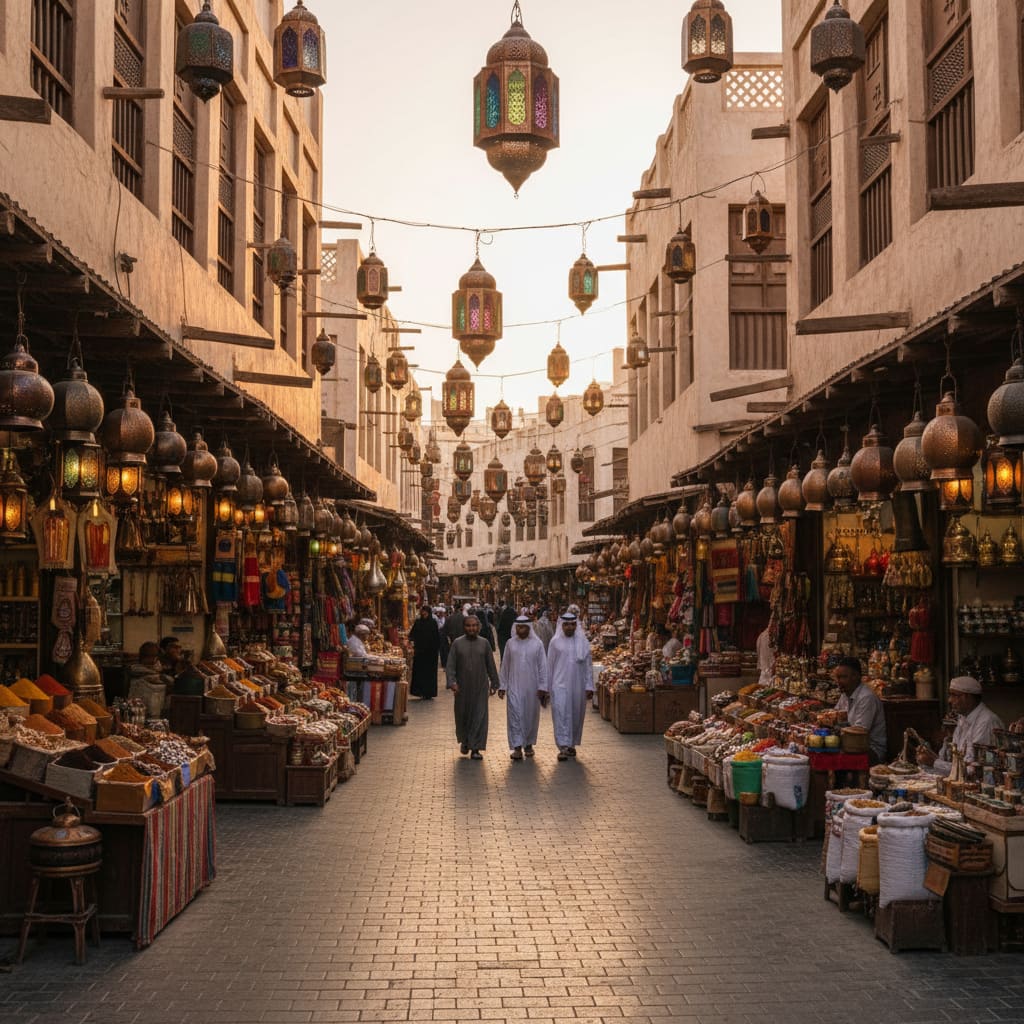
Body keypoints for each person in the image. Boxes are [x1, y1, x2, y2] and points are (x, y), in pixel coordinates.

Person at [916, 676, 1004, 776]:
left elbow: (972, 770)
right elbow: (956, 761)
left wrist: (934, 762)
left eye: (954, 695)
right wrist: (931, 757)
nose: (950, 700)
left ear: (968, 697)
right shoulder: (963, 718)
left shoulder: (986, 721)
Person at [542, 613, 594, 762]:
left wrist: (589, 686)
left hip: (578, 686)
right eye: (566, 624)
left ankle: (571, 745)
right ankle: (563, 746)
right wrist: (546, 689)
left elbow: (588, 666)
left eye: (572, 624)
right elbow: (549, 666)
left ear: (576, 625)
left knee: (576, 715)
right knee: (561, 714)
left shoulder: (583, 642)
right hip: (559, 685)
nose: (569, 627)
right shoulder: (555, 642)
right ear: (561, 625)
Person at [445, 614, 498, 759]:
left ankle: (476, 747)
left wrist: (494, 682)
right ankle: (465, 741)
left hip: (480, 686)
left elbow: (490, 665)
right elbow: (450, 666)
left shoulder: (484, 643)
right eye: (468, 626)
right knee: (463, 715)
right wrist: (452, 683)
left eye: (474, 625)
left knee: (479, 716)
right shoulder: (457, 643)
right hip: (462, 688)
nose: (471, 628)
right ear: (464, 627)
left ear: (479, 626)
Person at [498, 615, 547, 761]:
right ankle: (517, 747)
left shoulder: (537, 644)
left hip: (532, 689)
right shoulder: (510, 644)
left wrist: (543, 686)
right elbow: (505, 665)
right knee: (515, 716)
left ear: (529, 627)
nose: (521, 629)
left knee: (530, 717)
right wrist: (502, 685)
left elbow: (543, 667)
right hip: (514, 686)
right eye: (518, 627)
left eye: (524, 627)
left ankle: (529, 744)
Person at [833, 656, 887, 765]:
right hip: (849, 744)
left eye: (843, 677)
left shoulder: (867, 697)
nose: (839, 681)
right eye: (837, 677)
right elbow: (835, 716)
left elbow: (858, 734)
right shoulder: (845, 694)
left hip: (870, 749)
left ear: (856, 677)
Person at [129, 641, 171, 718]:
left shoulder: (160, 673)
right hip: (140, 713)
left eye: (155, 656)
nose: (154, 659)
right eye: (151, 656)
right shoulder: (136, 672)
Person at [408, 605, 441, 701]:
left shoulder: (433, 623)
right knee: (420, 672)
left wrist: (436, 650)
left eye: (425, 612)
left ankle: (429, 692)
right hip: (420, 653)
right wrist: (412, 642)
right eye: (423, 612)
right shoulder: (418, 622)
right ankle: (420, 691)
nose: (424, 614)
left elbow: (437, 638)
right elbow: (412, 634)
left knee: (429, 674)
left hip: (431, 654)